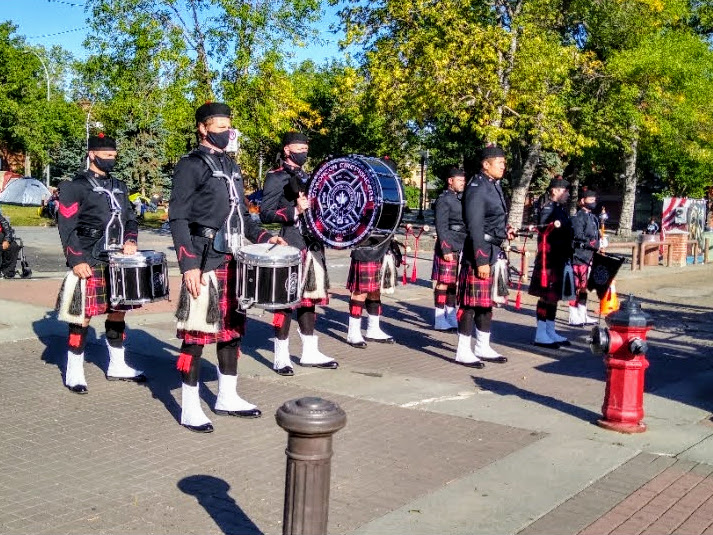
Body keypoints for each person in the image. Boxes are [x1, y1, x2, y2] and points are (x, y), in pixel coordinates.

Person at [169, 102, 285, 433]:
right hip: (204, 259)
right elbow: (176, 217)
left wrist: (265, 236)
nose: (226, 133)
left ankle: (227, 397)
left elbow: (243, 216)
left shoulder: (232, 166)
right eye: (219, 127)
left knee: (232, 333)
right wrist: (188, 263)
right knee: (195, 335)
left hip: (235, 259)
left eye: (228, 127)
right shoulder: (190, 165)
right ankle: (189, 408)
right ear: (203, 128)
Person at [55, 133, 146, 394]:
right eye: (107, 156)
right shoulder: (74, 185)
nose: (111, 160)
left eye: (114, 156)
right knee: (81, 317)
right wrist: (76, 259)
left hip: (117, 260)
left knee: (118, 312)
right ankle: (74, 371)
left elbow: (130, 219)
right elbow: (67, 226)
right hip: (89, 258)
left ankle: (117, 365)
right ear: (92, 154)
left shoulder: (120, 185)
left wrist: (130, 240)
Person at [260, 131, 338, 375]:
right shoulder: (275, 177)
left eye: (306, 148)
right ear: (287, 149)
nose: (303, 152)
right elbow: (265, 212)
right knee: (285, 302)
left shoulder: (310, 177)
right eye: (298, 148)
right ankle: (281, 357)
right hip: (290, 243)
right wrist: (294, 210)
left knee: (309, 301)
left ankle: (309, 351)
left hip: (313, 243)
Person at [454, 145, 513, 367]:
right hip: (479, 253)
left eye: (504, 163)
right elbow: (475, 226)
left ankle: (482, 346)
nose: (503, 166)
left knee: (486, 304)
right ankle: (463, 350)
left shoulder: (493, 186)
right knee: (469, 304)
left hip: (493, 251)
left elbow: (492, 220)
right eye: (500, 162)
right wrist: (480, 259)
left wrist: (504, 231)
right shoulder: (478, 188)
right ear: (486, 164)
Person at [528, 176, 574, 347]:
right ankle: (540, 333)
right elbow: (544, 231)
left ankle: (550, 330)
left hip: (559, 257)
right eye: (564, 190)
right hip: (549, 258)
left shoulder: (559, 209)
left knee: (553, 297)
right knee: (545, 297)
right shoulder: (548, 208)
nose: (567, 194)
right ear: (554, 191)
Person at [431, 167, 467, 331]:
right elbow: (441, 226)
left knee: (453, 284)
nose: (462, 183)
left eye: (463, 180)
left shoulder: (459, 198)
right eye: (459, 180)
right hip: (448, 245)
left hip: (459, 244)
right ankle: (439, 319)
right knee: (443, 283)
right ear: (450, 181)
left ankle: (451, 315)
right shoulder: (444, 199)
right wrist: (445, 249)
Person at [569, 188, 600, 327]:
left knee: (584, 287)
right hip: (578, 256)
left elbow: (595, 235)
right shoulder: (577, 217)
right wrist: (594, 244)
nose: (594, 202)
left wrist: (599, 243)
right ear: (582, 201)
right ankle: (573, 315)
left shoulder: (593, 218)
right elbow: (578, 237)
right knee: (576, 286)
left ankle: (582, 313)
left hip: (590, 256)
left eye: (595, 200)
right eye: (590, 199)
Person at [0, 210, 21, 278]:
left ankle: (8, 271)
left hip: (2, 239)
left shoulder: (1, 218)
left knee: (13, 247)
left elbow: (8, 229)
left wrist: (7, 240)